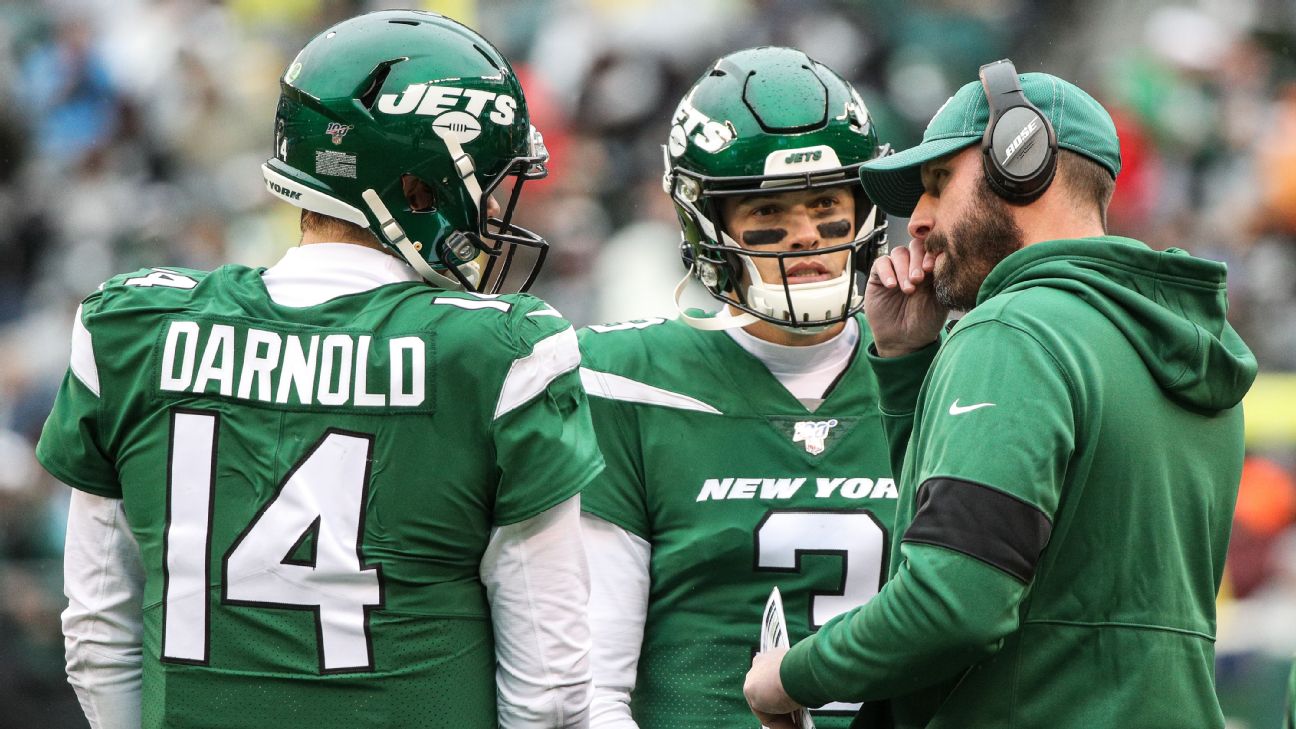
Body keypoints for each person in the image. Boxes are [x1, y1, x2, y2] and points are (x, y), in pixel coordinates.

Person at [37, 11, 602, 729]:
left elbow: (95, 636)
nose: (493, 208)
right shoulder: (496, 355)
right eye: (487, 182)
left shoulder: (134, 327)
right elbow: (550, 694)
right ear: (419, 187)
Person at [743, 60, 1257, 728]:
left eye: (937, 184)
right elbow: (1015, 552)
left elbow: (955, 600)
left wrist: (790, 675)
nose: (918, 222)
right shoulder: (1178, 342)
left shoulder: (1013, 331)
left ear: (1024, 160)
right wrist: (906, 364)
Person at [577, 47, 897, 729]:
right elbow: (590, 683)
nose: (806, 238)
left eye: (827, 207)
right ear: (708, 223)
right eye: (769, 214)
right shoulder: (628, 379)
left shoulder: (932, 372)